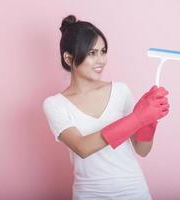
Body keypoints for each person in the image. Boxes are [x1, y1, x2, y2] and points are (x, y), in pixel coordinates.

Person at [42, 15, 170, 200]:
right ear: (69, 58)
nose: (101, 60)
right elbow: (82, 147)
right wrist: (138, 118)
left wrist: (150, 120)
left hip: (134, 191)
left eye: (103, 51)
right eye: (92, 53)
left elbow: (142, 150)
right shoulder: (55, 105)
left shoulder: (120, 91)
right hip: (89, 194)